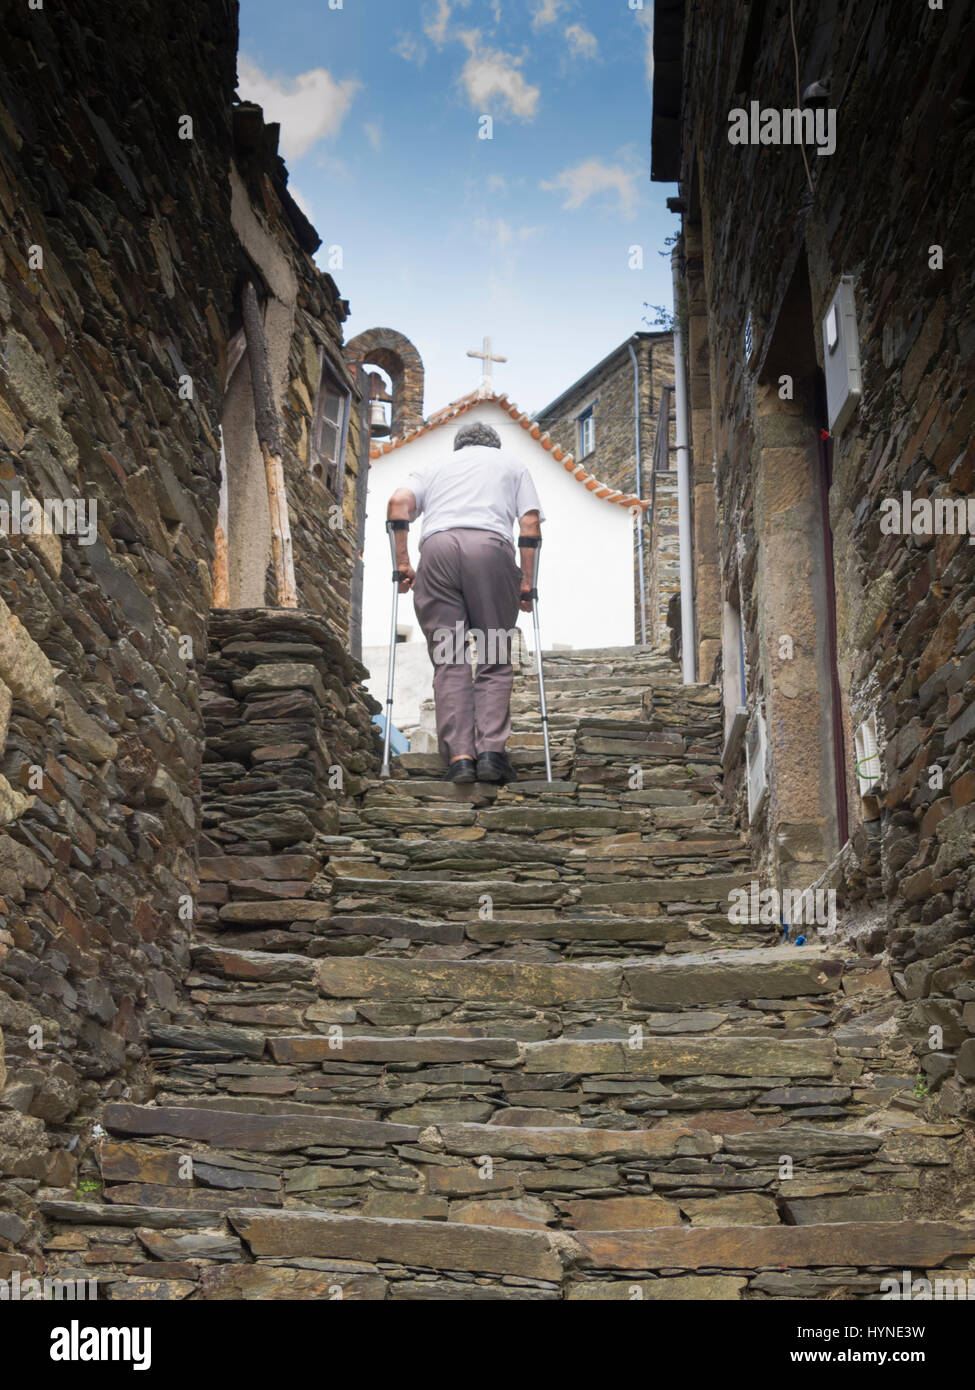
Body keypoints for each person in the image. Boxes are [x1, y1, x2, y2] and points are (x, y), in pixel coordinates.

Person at [386, 420, 544, 784]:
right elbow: (531, 525)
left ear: (459, 446)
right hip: (490, 552)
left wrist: (403, 563)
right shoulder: (513, 465)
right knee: (493, 653)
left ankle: (459, 757)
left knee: (449, 657)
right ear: (495, 445)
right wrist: (526, 582)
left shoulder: (433, 467)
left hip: (438, 553)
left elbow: (397, 504)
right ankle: (490, 754)